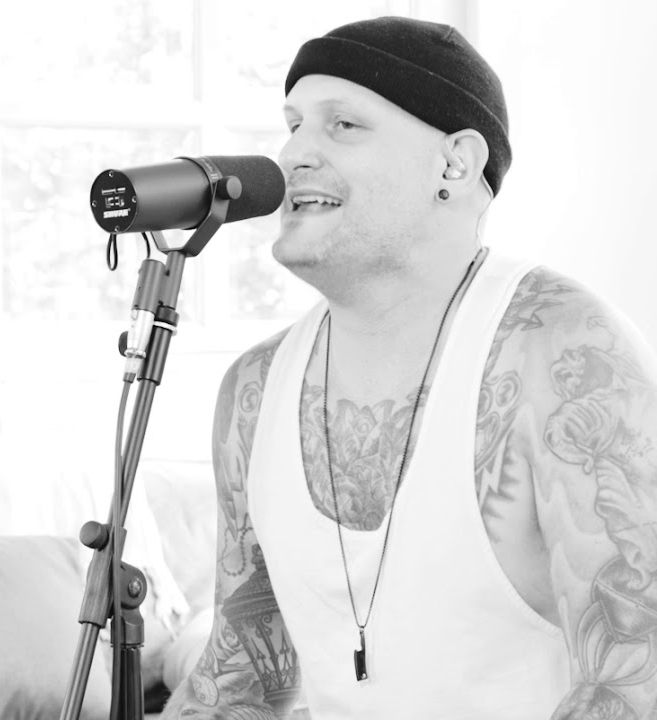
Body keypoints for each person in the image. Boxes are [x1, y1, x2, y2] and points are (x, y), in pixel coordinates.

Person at [161, 16, 657, 720]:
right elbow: (241, 679)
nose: (292, 154)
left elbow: (634, 684)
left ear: (454, 164)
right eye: (293, 125)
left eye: (343, 125)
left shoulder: (566, 355)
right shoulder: (253, 389)